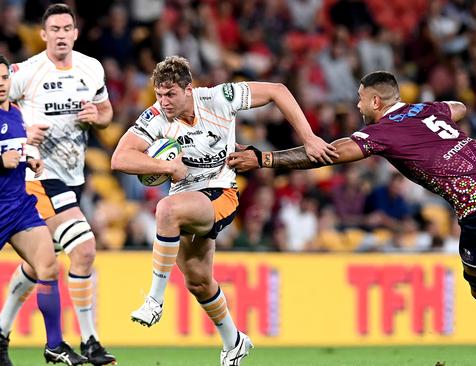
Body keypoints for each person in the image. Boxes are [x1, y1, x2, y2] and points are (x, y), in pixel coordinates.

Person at [228, 71, 476, 366]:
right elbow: (459, 107)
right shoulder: (425, 111)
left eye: (360, 99)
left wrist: (266, 160)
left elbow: (329, 153)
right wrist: (431, 112)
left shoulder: (384, 131)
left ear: (375, 101)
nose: (357, 106)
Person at [110, 55, 336, 366]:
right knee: (199, 281)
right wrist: (163, 166)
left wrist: (309, 138)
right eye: (159, 95)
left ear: (189, 89)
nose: (164, 102)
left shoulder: (218, 98)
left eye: (170, 94)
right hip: (186, 197)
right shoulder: (156, 117)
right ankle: (234, 342)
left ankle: (154, 300)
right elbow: (119, 159)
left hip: (220, 193)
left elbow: (278, 91)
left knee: (165, 210)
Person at [0, 5, 116, 366]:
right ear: (43, 35)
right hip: (36, 175)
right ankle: (90, 340)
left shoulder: (92, 68)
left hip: (74, 177)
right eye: (53, 28)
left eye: (66, 28)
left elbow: (106, 114)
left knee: (43, 260)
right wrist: (23, 131)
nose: (60, 34)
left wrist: (98, 118)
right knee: (84, 249)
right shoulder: (26, 72)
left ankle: (0, 326)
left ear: (75, 32)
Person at [0, 55, 87, 366]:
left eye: (4, 78)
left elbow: (13, 148)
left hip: (21, 205)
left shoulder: (14, 112)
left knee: (49, 267)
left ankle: (55, 345)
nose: (0, 84)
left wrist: (29, 157)